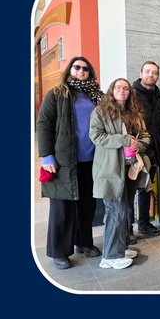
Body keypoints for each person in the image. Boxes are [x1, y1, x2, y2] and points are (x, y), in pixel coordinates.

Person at [37, 57, 103, 269]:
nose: (81, 70)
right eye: (77, 67)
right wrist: (47, 156)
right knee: (62, 207)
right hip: (64, 161)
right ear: (69, 70)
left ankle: (84, 242)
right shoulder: (56, 94)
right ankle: (59, 252)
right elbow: (44, 125)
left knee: (87, 205)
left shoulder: (96, 96)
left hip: (91, 160)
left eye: (85, 68)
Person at [90, 78, 150, 269]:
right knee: (115, 211)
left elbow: (146, 136)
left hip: (131, 168)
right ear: (112, 90)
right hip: (110, 169)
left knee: (124, 210)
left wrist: (138, 144)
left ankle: (120, 248)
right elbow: (96, 136)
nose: (122, 91)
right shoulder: (101, 111)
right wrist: (124, 140)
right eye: (118, 87)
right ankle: (110, 256)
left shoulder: (134, 113)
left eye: (126, 88)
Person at [131, 61, 160, 239]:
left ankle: (143, 223)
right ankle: (126, 228)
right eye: (148, 72)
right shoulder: (131, 94)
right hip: (134, 151)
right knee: (129, 189)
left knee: (145, 187)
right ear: (141, 73)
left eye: (154, 73)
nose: (151, 75)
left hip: (153, 151)